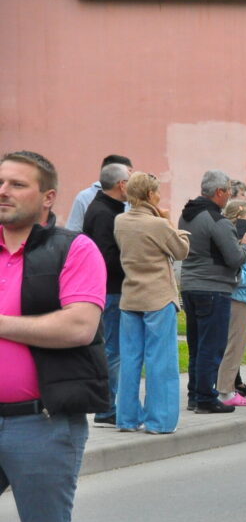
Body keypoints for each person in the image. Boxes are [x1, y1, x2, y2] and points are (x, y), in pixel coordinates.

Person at [0, 150, 108, 522]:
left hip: (41, 424)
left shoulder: (74, 249)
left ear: (47, 198)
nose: (3, 191)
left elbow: (79, 326)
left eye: (16, 184)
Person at [114, 173, 191, 435]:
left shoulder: (120, 221)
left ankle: (127, 418)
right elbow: (181, 251)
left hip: (130, 296)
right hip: (158, 296)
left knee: (130, 359)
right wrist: (169, 221)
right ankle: (160, 421)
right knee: (161, 360)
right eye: (157, 192)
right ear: (149, 194)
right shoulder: (158, 224)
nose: (159, 196)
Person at [179, 170, 246, 413]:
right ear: (219, 192)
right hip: (213, 288)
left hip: (190, 285)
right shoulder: (217, 221)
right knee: (211, 347)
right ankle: (205, 399)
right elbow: (234, 258)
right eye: (229, 191)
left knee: (196, 345)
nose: (230, 196)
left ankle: (194, 395)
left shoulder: (186, 216)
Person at [81, 162, 131, 427]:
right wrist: (133, 265)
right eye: (129, 180)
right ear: (121, 184)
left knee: (113, 349)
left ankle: (108, 406)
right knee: (113, 350)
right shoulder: (104, 213)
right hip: (111, 289)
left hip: (111, 288)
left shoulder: (107, 208)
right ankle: (106, 408)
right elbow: (105, 257)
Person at [216, 200, 246, 407]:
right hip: (239, 299)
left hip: (241, 298)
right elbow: (237, 275)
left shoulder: (240, 240)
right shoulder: (235, 241)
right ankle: (225, 391)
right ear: (239, 217)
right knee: (235, 346)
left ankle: (228, 387)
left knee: (232, 345)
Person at [65, 153, 131, 231]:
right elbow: (73, 230)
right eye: (128, 173)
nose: (131, 179)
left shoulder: (130, 197)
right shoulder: (84, 197)